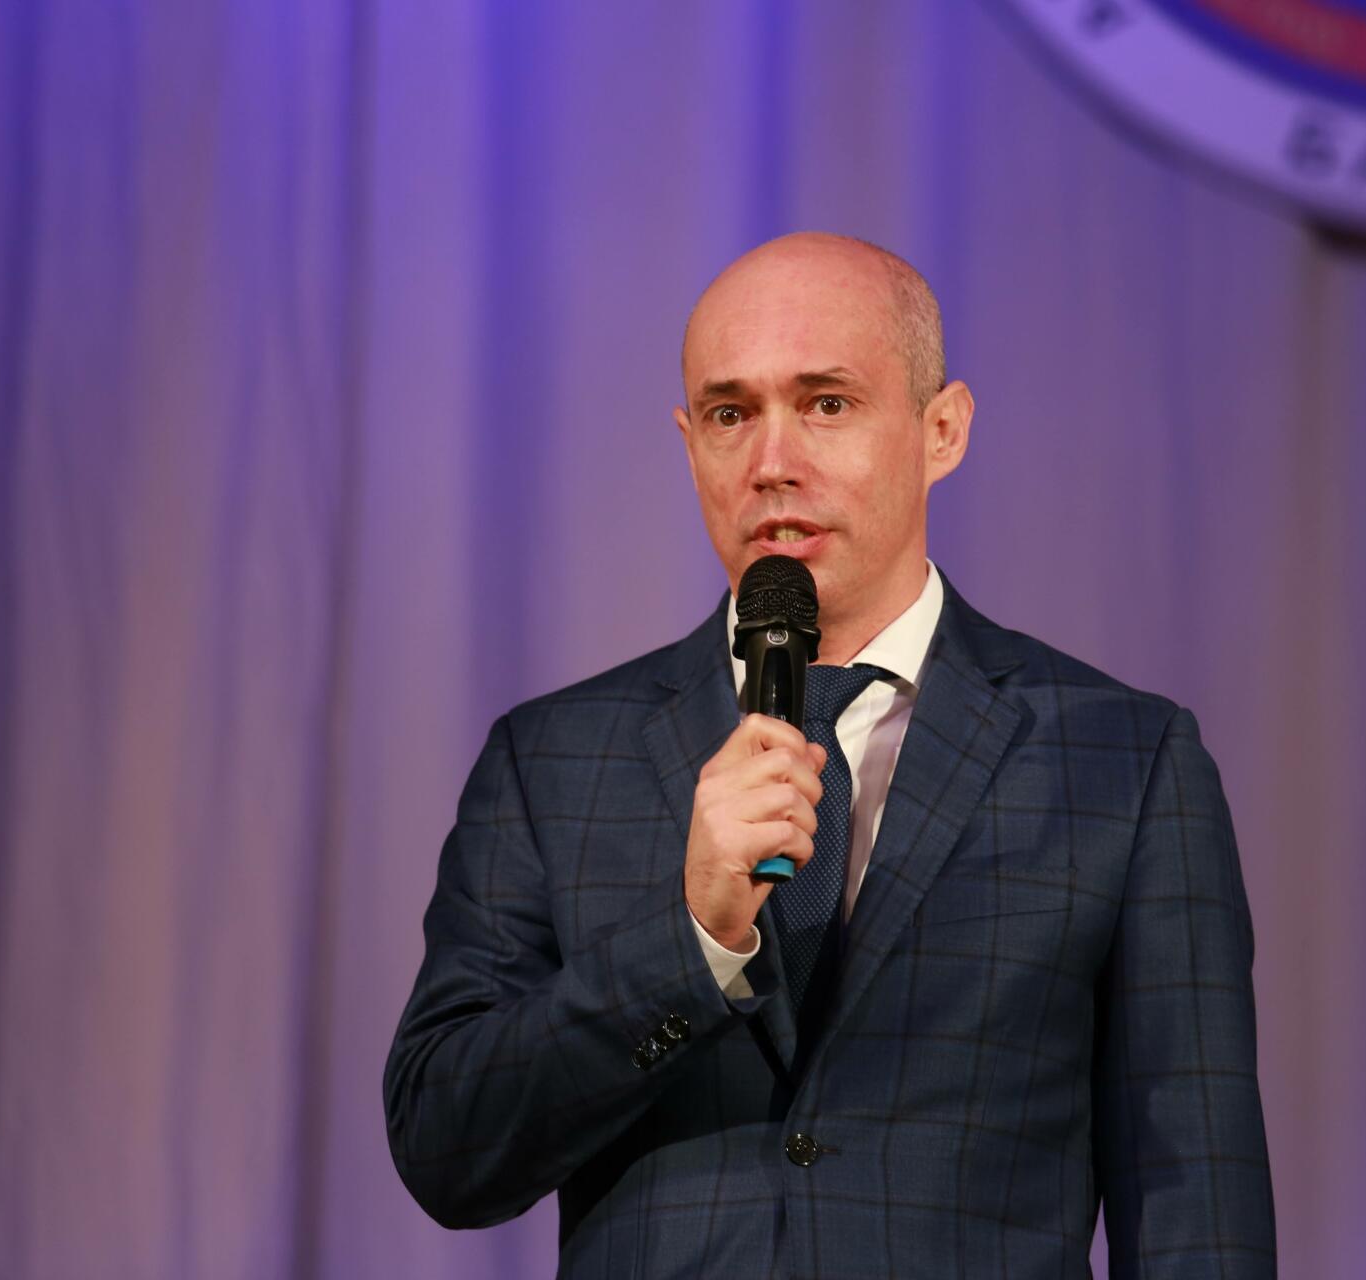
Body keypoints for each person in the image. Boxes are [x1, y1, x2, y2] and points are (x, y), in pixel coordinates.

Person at [384, 232, 1275, 1277]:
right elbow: (447, 1148)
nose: (772, 463)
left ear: (942, 430)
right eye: (730, 414)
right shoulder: (553, 761)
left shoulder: (1121, 759)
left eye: (827, 404)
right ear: (689, 443)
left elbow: (1197, 1208)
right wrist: (691, 941)